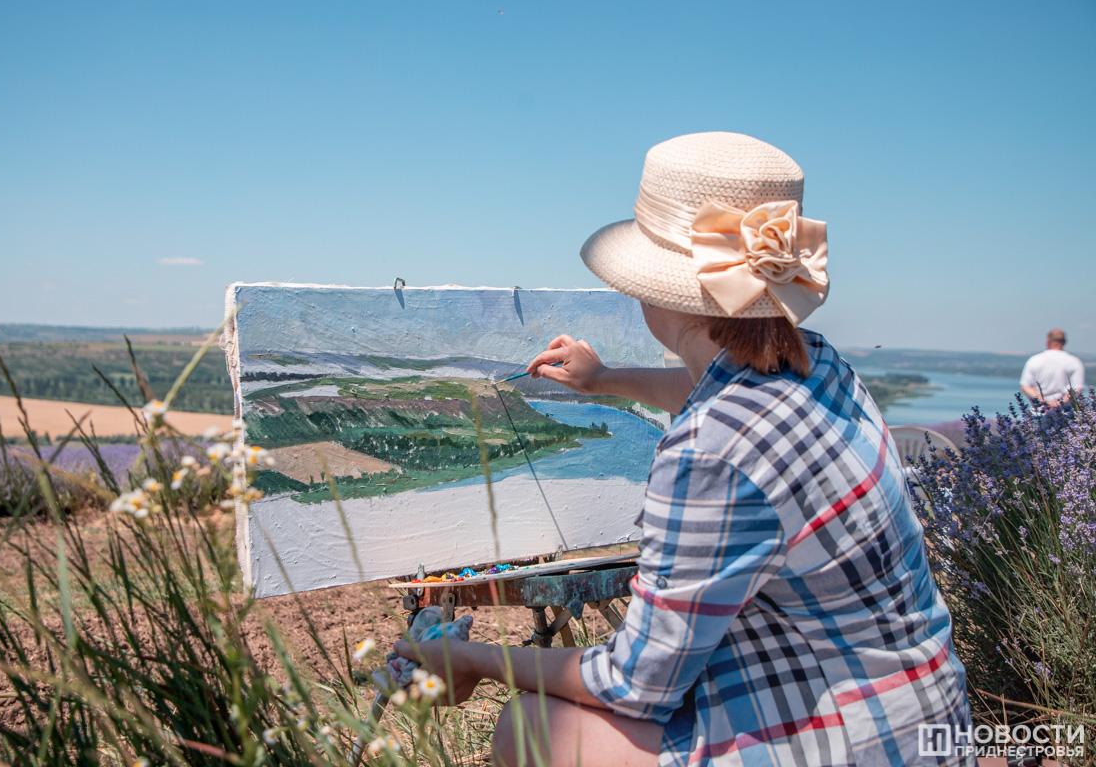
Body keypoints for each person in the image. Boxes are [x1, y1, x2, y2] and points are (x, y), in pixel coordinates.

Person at [394, 132, 973, 767]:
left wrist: (475, 659)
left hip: (856, 746)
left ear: (658, 291)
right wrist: (605, 380)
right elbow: (713, 385)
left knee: (529, 727)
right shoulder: (821, 364)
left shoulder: (710, 449)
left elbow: (635, 684)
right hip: (927, 717)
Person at [1020, 328, 1085, 406]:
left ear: (1048, 341)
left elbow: (1025, 386)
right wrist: (1060, 403)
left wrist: (1043, 402)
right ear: (1064, 342)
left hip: (1039, 412)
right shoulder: (1074, 362)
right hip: (1064, 412)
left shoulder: (1034, 360)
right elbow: (1077, 389)